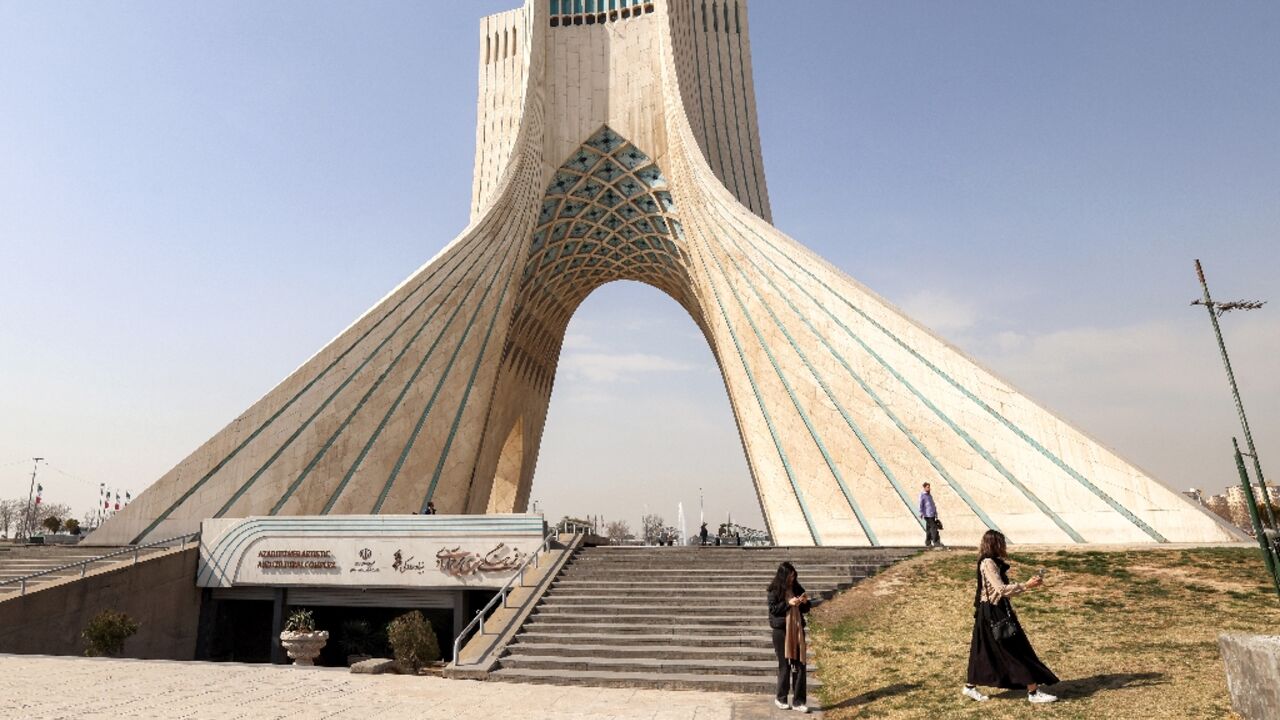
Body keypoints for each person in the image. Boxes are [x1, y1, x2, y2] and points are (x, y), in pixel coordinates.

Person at [964, 530, 1059, 704]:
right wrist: (1026, 585)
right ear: (994, 544)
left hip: (991, 612)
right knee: (1015, 650)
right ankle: (1033, 692)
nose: (1004, 546)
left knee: (985, 651)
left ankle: (969, 687)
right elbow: (1001, 590)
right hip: (992, 613)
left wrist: (1026, 585)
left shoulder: (993, 562)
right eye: (1001, 543)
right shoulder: (988, 563)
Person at [767, 561, 811, 713]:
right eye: (790, 577)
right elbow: (773, 609)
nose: (792, 579)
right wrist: (788, 603)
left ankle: (799, 701)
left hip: (797, 629)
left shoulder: (797, 587)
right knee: (784, 665)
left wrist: (804, 602)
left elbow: (805, 609)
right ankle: (781, 698)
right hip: (781, 631)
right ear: (783, 576)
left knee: (800, 664)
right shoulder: (774, 590)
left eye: (794, 576)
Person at [919, 482, 942, 548]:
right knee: (934, 528)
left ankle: (928, 542)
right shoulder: (922, 495)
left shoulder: (929, 495)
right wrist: (921, 513)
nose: (929, 488)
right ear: (924, 488)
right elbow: (920, 504)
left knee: (928, 529)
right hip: (927, 514)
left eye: (929, 487)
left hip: (932, 514)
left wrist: (935, 512)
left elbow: (932, 505)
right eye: (928, 487)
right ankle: (936, 542)